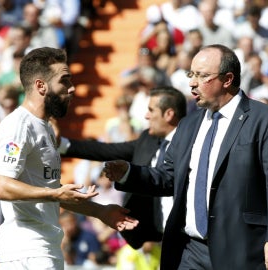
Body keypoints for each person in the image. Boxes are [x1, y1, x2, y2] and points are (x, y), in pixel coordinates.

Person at [103, 44, 268, 270]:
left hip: (242, 249)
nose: (192, 82)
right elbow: (168, 177)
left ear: (227, 79)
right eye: (191, 74)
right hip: (190, 251)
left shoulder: (265, 119)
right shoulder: (188, 124)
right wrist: (128, 173)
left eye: (202, 75)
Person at [0, 47, 138, 270]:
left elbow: (48, 190)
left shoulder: (46, 128)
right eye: (64, 81)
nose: (72, 88)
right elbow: (2, 187)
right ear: (41, 85)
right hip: (25, 252)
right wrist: (54, 193)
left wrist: (100, 212)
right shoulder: (18, 126)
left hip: (44, 249)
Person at [60, 86, 187, 249]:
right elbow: (107, 150)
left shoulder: (193, 143)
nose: (146, 116)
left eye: (151, 110)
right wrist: (61, 143)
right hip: (157, 240)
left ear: (169, 114)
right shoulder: (147, 139)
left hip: (188, 237)